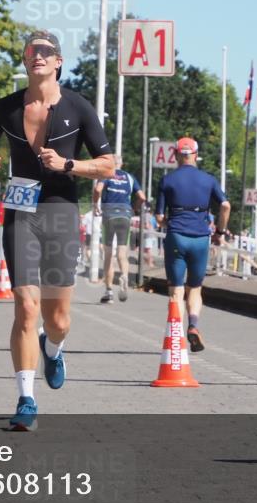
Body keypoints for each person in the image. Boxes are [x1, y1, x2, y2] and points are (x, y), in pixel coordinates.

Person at [0, 30, 114, 431]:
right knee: (25, 307)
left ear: (58, 61)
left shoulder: (78, 107)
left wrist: (69, 165)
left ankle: (53, 348)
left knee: (59, 319)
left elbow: (108, 165)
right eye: (31, 51)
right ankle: (26, 400)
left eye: (46, 51)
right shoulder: (6, 107)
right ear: (25, 59)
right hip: (20, 210)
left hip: (60, 211)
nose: (37, 55)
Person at [155, 137, 230, 353]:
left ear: (176, 155)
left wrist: (169, 223)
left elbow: (159, 217)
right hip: (200, 239)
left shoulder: (167, 180)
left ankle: (176, 339)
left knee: (176, 291)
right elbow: (225, 206)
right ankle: (194, 325)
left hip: (177, 236)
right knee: (195, 288)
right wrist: (220, 232)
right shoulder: (208, 180)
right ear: (196, 155)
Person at [93, 158, 145, 303]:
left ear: (111, 163)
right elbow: (142, 197)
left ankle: (109, 291)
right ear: (122, 164)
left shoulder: (106, 174)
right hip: (125, 214)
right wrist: (134, 209)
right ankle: (124, 276)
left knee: (108, 254)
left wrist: (95, 205)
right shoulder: (129, 177)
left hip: (108, 215)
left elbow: (97, 189)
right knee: (122, 253)